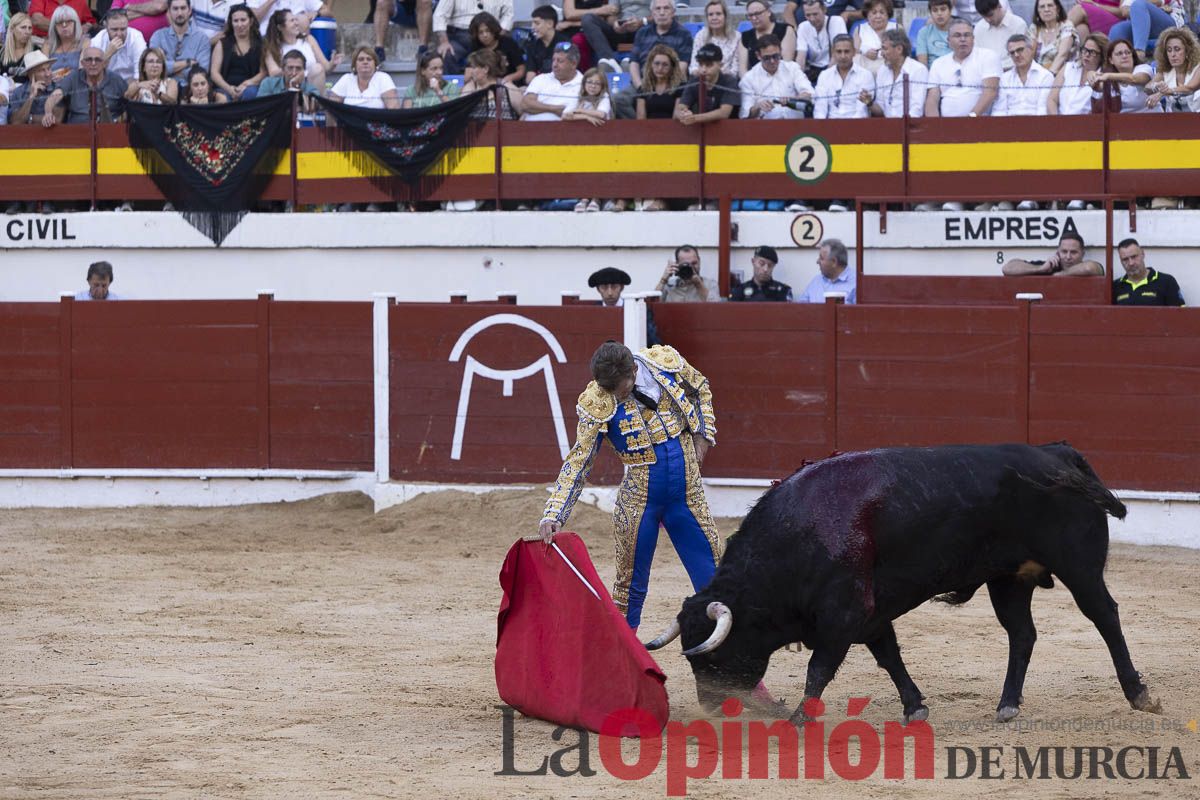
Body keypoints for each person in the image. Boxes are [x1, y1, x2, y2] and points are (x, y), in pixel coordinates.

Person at [537, 341, 721, 636]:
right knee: (629, 589)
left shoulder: (664, 363)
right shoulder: (598, 400)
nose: (613, 396)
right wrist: (554, 513)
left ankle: (736, 670)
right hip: (639, 502)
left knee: (714, 578)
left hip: (687, 494)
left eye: (618, 388)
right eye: (607, 389)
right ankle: (620, 667)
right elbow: (579, 460)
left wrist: (703, 436)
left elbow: (700, 389)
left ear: (634, 370)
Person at [925, 18, 1000, 122]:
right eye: (957, 35)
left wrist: (970, 119)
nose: (963, 39)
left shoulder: (987, 56)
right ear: (948, 41)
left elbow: (990, 92)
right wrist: (934, 125)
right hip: (947, 125)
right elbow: (932, 98)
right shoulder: (938, 63)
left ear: (973, 38)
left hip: (979, 122)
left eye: (967, 35)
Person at [42, 45, 128, 124]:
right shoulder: (73, 77)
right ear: (82, 63)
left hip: (109, 130)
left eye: (97, 60)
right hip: (77, 130)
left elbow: (129, 101)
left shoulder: (116, 80)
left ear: (104, 63)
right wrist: (48, 112)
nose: (93, 63)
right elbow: (55, 95)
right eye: (89, 60)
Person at [739, 34, 813, 120]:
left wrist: (795, 99)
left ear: (781, 52)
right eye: (767, 58)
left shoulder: (792, 68)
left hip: (795, 124)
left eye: (776, 56)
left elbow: (810, 95)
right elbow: (745, 114)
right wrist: (758, 107)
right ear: (758, 56)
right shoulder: (749, 78)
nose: (772, 61)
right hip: (765, 128)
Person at [433, 0, 514, 73]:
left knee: (502, 53)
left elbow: (508, 15)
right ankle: (453, 87)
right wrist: (444, 41)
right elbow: (439, 15)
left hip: (490, 36)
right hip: (460, 37)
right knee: (447, 54)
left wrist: (497, 36)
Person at [863, 28, 927, 117]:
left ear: (899, 49)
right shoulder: (883, 70)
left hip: (909, 126)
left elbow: (917, 110)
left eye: (885, 49)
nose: (881, 54)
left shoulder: (918, 70)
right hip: (888, 126)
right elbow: (881, 110)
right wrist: (869, 103)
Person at [263, 9, 335, 87]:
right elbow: (273, 73)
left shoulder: (309, 39)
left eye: (296, 20)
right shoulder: (272, 47)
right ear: (280, 27)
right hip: (287, 86)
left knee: (317, 68)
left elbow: (326, 67)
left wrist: (333, 63)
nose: (296, 23)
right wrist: (293, 69)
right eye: (292, 21)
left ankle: (312, 98)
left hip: (311, 85)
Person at [626, 0, 689, 87]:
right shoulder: (642, 33)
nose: (662, 13)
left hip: (671, 86)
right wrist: (640, 86)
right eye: (658, 9)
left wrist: (666, 89)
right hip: (643, 83)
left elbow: (683, 66)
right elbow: (634, 63)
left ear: (673, 13)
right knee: (620, 99)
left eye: (666, 8)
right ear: (652, 13)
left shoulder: (684, 34)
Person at [675, 42, 739, 124]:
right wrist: (684, 114)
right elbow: (680, 107)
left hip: (729, 130)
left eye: (709, 65)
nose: (703, 70)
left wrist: (695, 118)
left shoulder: (729, 81)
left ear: (720, 65)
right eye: (700, 65)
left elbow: (724, 113)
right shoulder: (695, 80)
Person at [211, 3, 265, 100]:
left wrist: (246, 84)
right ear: (231, 23)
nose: (240, 24)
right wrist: (229, 89)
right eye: (236, 21)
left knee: (250, 93)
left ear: (251, 21)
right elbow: (214, 73)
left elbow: (263, 72)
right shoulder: (222, 43)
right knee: (222, 98)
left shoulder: (260, 44)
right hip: (225, 88)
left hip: (249, 88)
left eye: (243, 20)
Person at [579, 0, 649, 74]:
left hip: (643, 28)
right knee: (588, 18)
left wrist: (641, 22)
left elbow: (659, 12)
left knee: (654, 26)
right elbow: (612, 14)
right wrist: (615, 24)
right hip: (621, 29)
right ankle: (610, 61)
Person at [150, 0, 212, 82]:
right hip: (162, 86)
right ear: (169, 12)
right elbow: (152, 68)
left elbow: (201, 72)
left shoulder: (202, 39)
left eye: (183, 8)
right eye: (175, 9)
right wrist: (187, 63)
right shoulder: (158, 36)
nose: (179, 13)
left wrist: (169, 69)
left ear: (189, 11)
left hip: (190, 89)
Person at [1093, 37, 1159, 113]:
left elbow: (1134, 79)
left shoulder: (1144, 68)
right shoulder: (1108, 77)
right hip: (1124, 123)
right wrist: (1090, 74)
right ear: (1111, 60)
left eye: (1128, 52)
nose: (1124, 56)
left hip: (1153, 120)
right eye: (1119, 53)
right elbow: (1097, 87)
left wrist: (1108, 76)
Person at [813, 34, 872, 119]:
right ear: (833, 52)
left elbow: (862, 111)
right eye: (839, 51)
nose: (843, 56)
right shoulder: (824, 75)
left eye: (847, 51)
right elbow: (820, 109)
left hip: (857, 126)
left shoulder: (865, 75)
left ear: (854, 52)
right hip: (829, 126)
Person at [994, 34, 1054, 117]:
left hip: (1036, 125)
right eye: (1012, 52)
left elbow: (1042, 110)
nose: (1016, 55)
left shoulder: (1045, 76)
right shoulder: (1005, 78)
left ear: (1031, 49)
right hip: (1009, 126)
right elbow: (999, 111)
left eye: (1020, 50)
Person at [522, 41, 583, 120]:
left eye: (560, 61)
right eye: (553, 60)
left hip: (565, 130)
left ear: (573, 64)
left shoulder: (585, 84)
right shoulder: (541, 79)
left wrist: (538, 107)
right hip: (531, 129)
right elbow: (525, 104)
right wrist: (554, 109)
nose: (554, 65)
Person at [1112, 238, 1185, 305]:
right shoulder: (1116, 286)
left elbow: (1180, 315)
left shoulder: (1166, 282)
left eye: (1134, 257)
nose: (1131, 263)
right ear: (1121, 261)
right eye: (1125, 259)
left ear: (1142, 254)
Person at [1048, 31, 1106, 114]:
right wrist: (1056, 122)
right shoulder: (1068, 68)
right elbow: (1052, 99)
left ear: (1102, 56)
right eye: (1085, 50)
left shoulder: (1103, 76)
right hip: (1058, 122)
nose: (1086, 55)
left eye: (1092, 52)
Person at [1144, 26, 1200, 112]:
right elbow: (1147, 88)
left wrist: (1163, 92)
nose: (1173, 54)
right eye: (1169, 50)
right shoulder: (1166, 71)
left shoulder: (1198, 67)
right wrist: (1156, 86)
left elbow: (1190, 89)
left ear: (1187, 51)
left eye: (1177, 49)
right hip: (1173, 121)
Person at [1002, 233, 1105, 276]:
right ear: (1057, 252)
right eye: (1064, 252)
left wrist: (1061, 274)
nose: (1068, 257)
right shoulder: (1048, 267)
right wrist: (1039, 269)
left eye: (1073, 252)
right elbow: (1007, 268)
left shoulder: (1087, 266)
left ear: (1083, 254)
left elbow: (1089, 268)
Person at [329, 44, 399, 107]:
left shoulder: (383, 78)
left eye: (369, 59)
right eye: (361, 59)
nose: (365, 62)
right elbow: (331, 106)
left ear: (375, 64)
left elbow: (393, 108)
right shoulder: (346, 79)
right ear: (354, 65)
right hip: (350, 120)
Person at [688, 0, 743, 80]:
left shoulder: (737, 37)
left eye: (718, 14)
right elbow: (693, 67)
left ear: (725, 16)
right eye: (710, 14)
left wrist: (714, 73)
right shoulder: (700, 35)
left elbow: (734, 71)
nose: (714, 18)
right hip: (701, 79)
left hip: (726, 81)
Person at [796, 0, 848, 85]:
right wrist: (798, 78)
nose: (812, 19)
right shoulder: (802, 27)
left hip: (834, 68)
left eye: (815, 14)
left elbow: (836, 55)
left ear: (824, 10)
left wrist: (824, 78)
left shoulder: (837, 21)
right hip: (813, 70)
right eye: (808, 15)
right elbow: (801, 57)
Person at [469, 11, 525, 85]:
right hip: (484, 84)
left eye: (487, 31)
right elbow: (469, 71)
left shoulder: (508, 43)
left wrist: (508, 79)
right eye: (480, 32)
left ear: (494, 29)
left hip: (508, 83)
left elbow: (521, 70)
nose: (485, 35)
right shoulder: (475, 46)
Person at [91, 9, 147, 83]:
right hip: (106, 84)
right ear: (106, 28)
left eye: (123, 29)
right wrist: (107, 54)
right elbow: (92, 74)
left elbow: (140, 74)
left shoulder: (136, 38)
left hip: (131, 83)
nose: (119, 34)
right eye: (114, 30)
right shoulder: (98, 39)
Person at [740, 0, 795, 72]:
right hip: (753, 79)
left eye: (758, 13)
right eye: (750, 15)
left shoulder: (785, 30)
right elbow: (742, 69)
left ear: (768, 12)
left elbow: (787, 62)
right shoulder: (745, 36)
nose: (754, 18)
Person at [797, 238, 857, 303]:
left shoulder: (856, 283)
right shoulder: (816, 281)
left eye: (821, 258)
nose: (817, 261)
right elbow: (800, 308)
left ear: (834, 262)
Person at [974, 0, 1028, 69]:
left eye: (991, 15)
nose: (988, 20)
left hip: (1013, 72)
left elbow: (1023, 56)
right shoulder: (979, 28)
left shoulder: (1018, 24)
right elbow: (977, 57)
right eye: (984, 17)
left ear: (999, 6)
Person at [8, 50, 56, 125]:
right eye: (41, 70)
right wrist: (31, 97)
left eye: (49, 68)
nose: (48, 74)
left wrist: (30, 118)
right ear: (30, 75)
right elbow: (15, 122)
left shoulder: (57, 88)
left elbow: (57, 119)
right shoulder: (18, 92)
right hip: (25, 135)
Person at [1029, 0, 1077, 75]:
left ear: (1057, 9)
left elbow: (1062, 55)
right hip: (1038, 75)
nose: (1046, 9)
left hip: (1062, 74)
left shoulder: (1066, 26)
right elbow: (1029, 54)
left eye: (1050, 5)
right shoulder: (1035, 28)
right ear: (1038, 11)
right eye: (1042, 7)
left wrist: (1048, 77)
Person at [522, 4, 568, 82]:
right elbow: (530, 77)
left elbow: (566, 75)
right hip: (539, 86)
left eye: (537, 23)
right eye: (532, 23)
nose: (532, 27)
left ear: (550, 24)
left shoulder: (566, 45)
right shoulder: (532, 45)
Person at [44, 6, 87, 80]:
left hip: (76, 87)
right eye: (60, 22)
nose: (64, 25)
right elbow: (43, 73)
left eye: (68, 21)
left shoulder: (84, 43)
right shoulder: (48, 45)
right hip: (52, 87)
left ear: (75, 24)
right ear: (54, 26)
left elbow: (82, 71)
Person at [854, 0, 897, 75]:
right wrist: (865, 53)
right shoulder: (860, 29)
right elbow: (854, 52)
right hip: (865, 70)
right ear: (867, 15)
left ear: (888, 14)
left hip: (890, 69)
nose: (878, 16)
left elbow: (904, 52)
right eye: (874, 13)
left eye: (882, 12)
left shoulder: (896, 28)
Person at [29, 0, 94, 39]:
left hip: (72, 44)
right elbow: (37, 20)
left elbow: (91, 23)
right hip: (42, 41)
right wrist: (66, 28)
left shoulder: (80, 1)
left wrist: (87, 26)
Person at [916, 0, 953, 67]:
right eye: (935, 10)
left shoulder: (958, 32)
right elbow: (922, 63)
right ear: (930, 13)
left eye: (943, 9)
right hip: (931, 74)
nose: (939, 13)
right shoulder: (923, 32)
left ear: (950, 11)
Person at [1, 12, 35, 80]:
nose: (27, 32)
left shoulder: (35, 51)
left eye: (30, 28)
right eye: (23, 27)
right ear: (12, 29)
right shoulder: (2, 53)